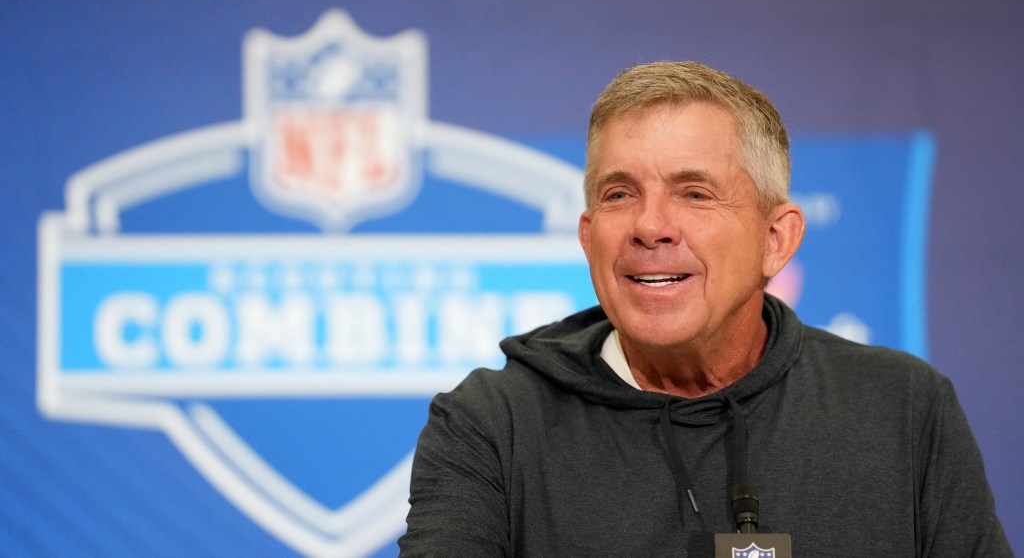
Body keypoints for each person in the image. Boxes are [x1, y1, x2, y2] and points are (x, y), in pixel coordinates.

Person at [398, 61, 1011, 556]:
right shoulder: (490, 424)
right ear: (588, 237)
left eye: (695, 193)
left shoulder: (904, 407)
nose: (650, 225)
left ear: (777, 239)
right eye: (619, 194)